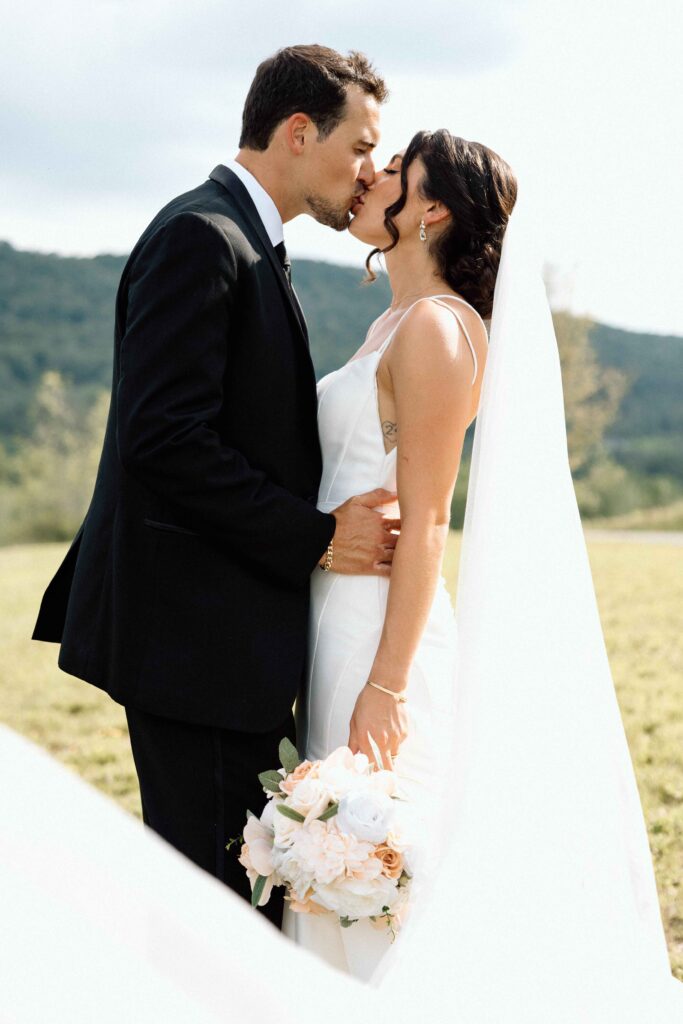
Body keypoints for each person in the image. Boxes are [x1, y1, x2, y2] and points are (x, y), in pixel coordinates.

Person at [283, 129, 683, 1020]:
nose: (369, 176)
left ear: (430, 210)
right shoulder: (391, 319)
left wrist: (386, 684)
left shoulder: (437, 328)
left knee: (379, 848)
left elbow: (426, 520)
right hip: (334, 609)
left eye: (393, 169)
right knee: (343, 850)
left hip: (380, 631)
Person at [31, 44, 397, 930]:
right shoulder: (203, 236)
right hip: (190, 641)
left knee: (238, 898)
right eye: (359, 148)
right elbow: (165, 438)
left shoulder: (248, 241)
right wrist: (313, 535)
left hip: (223, 639)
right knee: (213, 909)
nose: (367, 174)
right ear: (298, 131)